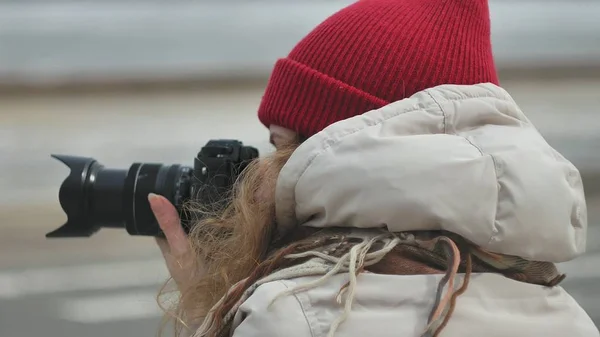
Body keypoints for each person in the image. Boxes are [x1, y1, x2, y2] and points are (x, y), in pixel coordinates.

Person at [149, 0, 600, 336]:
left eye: (280, 145)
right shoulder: (567, 317)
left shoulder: (296, 317)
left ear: (329, 151)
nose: (261, 177)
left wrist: (210, 311)